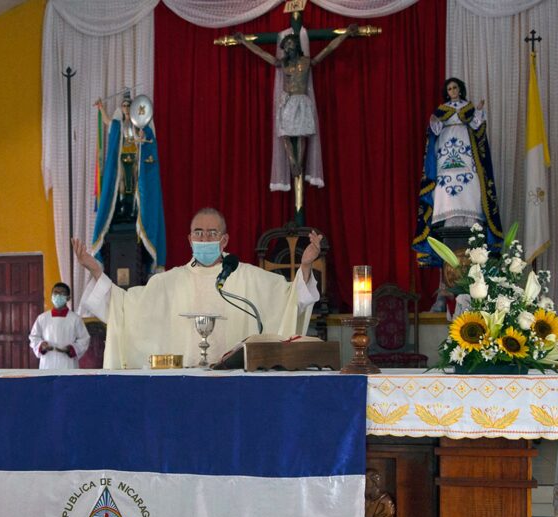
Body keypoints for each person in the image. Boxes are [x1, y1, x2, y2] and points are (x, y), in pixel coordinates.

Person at [72, 208, 321, 369]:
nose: (204, 239)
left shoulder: (248, 277)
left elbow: (290, 299)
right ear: (189, 239)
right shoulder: (167, 283)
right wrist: (96, 272)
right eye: (198, 233)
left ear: (224, 240)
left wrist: (306, 266)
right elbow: (124, 308)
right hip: (183, 386)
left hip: (234, 385)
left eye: (212, 233)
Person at [233, 25, 358, 187]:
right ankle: (292, 162)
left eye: (292, 43)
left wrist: (346, 34)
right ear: (284, 48)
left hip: (301, 100)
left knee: (301, 135)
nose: (290, 46)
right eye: (287, 45)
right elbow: (262, 53)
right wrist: (244, 41)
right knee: (285, 134)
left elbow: (328, 49)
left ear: (297, 46)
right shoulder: (283, 64)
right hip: (288, 101)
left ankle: (298, 162)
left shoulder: (306, 62)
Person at [413, 77, 503, 267]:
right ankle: (446, 214)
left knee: (471, 183)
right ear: (447, 92)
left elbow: (477, 126)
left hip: (465, 149)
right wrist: (434, 121)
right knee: (443, 185)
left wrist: (477, 112)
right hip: (445, 151)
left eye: (455, 87)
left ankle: (469, 213)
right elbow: (434, 130)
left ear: (460, 90)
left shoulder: (467, 108)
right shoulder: (442, 110)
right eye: (450, 88)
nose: (453, 91)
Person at [91, 91, 166, 270]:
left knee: (134, 190)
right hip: (120, 164)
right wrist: (101, 108)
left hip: (135, 164)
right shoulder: (119, 125)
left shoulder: (139, 124)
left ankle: (133, 211)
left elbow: (147, 141)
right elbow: (108, 122)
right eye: (124, 106)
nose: (125, 109)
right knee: (122, 189)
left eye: (128, 106)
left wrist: (142, 140)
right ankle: (123, 209)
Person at [28, 282, 90, 369]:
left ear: (68, 298)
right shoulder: (42, 318)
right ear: (51, 296)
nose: (58, 296)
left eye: (62, 293)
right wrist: (41, 346)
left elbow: (84, 339)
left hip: (68, 362)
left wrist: (72, 349)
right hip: (47, 362)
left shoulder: (75, 319)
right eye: (55, 293)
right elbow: (34, 337)